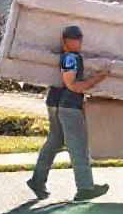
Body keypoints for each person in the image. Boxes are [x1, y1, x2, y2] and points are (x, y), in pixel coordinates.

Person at [26, 25, 110, 201]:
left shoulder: (69, 56)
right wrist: (98, 78)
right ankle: (85, 188)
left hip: (57, 102)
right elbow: (71, 85)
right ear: (66, 41)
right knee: (78, 146)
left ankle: (37, 180)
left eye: (81, 38)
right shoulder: (70, 58)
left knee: (54, 142)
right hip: (69, 106)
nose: (80, 42)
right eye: (76, 39)